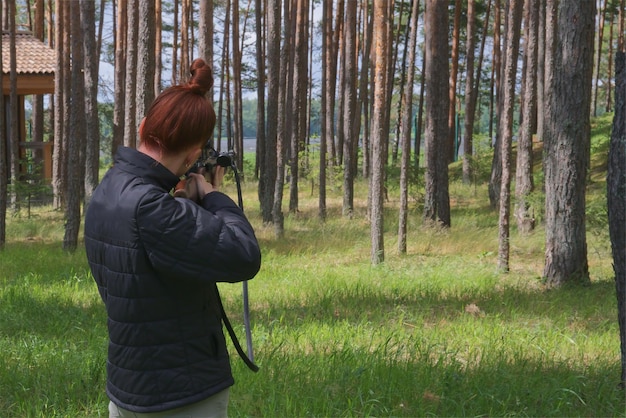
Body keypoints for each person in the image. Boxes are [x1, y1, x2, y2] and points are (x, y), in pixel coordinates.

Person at [84, 58, 261, 418]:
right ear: (195, 153)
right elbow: (244, 255)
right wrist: (213, 196)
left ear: (143, 127)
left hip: (130, 385)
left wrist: (186, 202)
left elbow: (148, 270)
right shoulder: (151, 207)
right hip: (179, 393)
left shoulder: (110, 188)